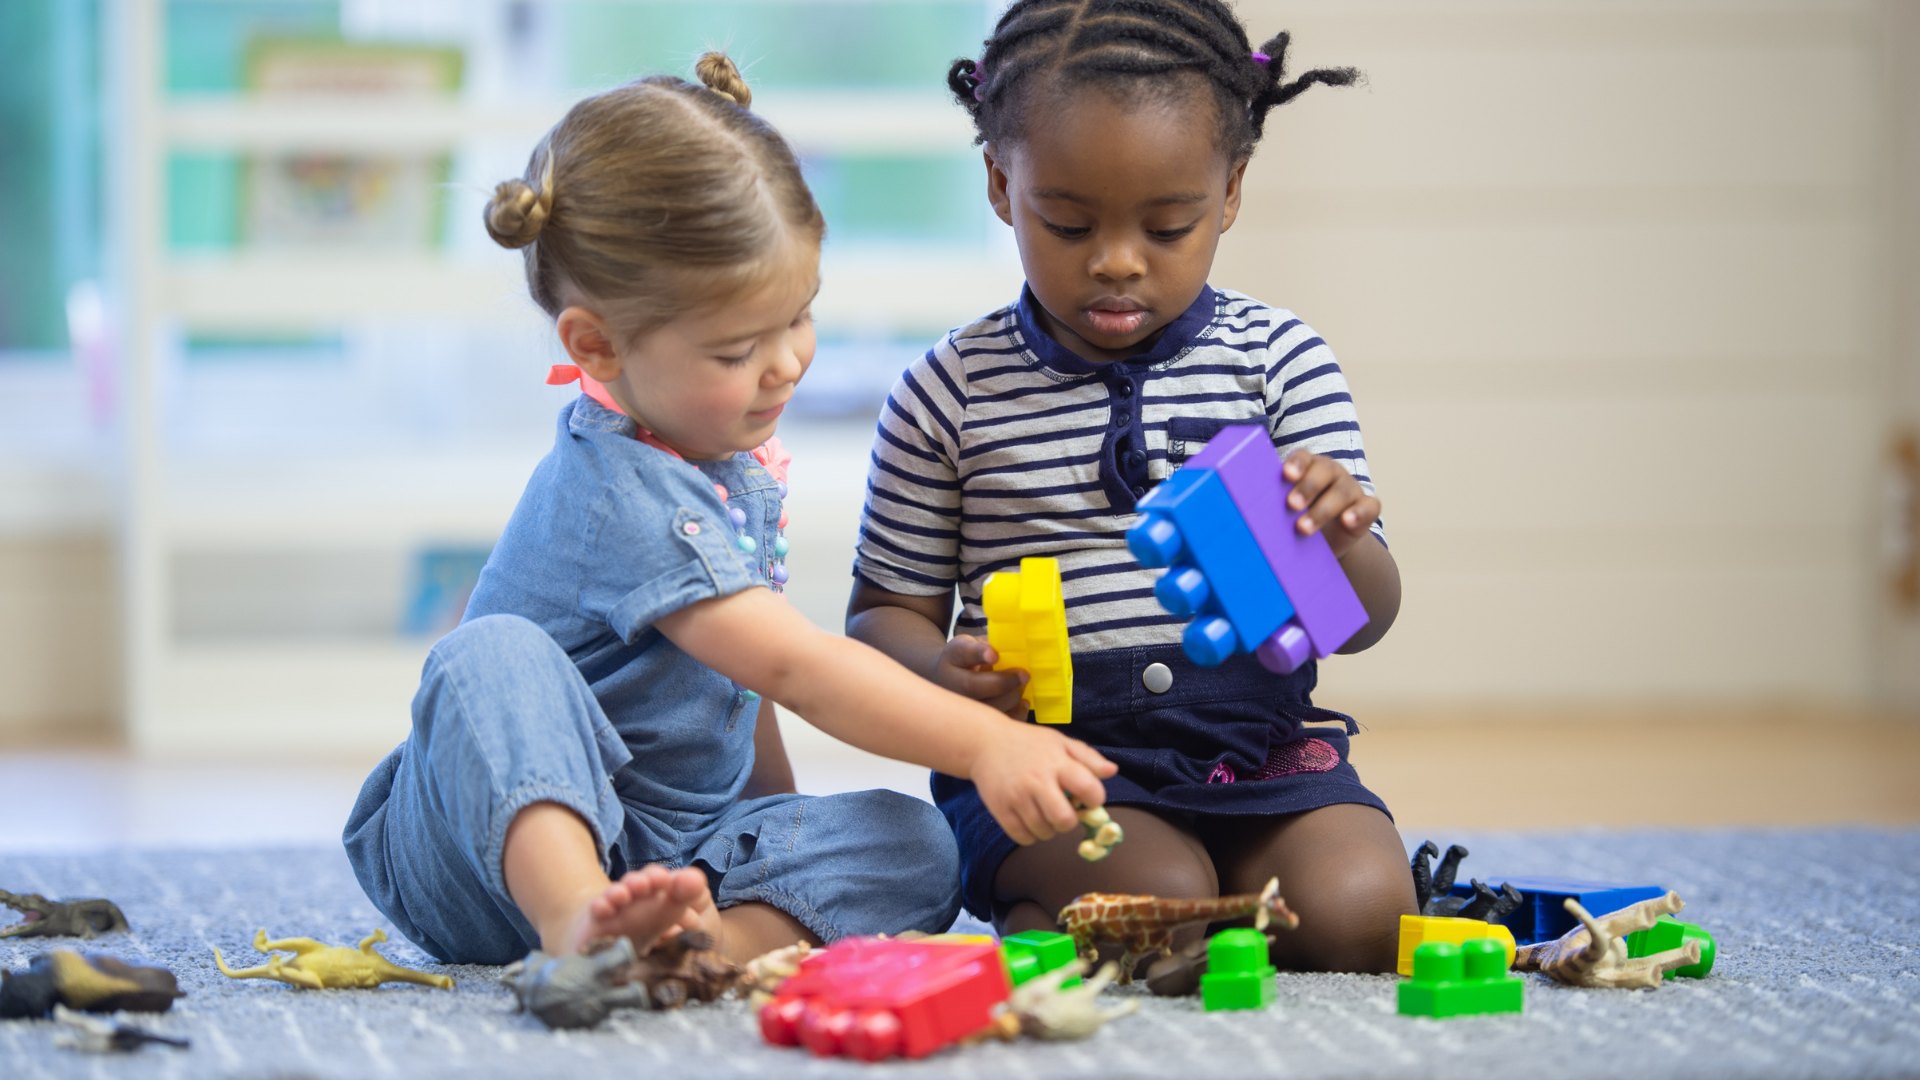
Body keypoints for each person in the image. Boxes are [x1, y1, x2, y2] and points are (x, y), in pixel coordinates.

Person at [344, 54, 1115, 968]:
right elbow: (796, 667)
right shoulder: (618, 488)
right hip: (482, 852)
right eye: (741, 347)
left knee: (919, 843)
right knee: (488, 655)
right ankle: (579, 926)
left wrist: (772, 835)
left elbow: (742, 689)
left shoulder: (723, 465)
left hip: (668, 849)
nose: (788, 362)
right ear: (598, 343)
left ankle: (703, 945)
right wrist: (986, 741)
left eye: (801, 316)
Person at [846, 1, 1418, 974]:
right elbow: (879, 621)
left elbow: (1360, 621)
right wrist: (950, 675)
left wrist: (1342, 535)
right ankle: (1075, 899)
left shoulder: (1279, 362)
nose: (1116, 261)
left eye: (1168, 225)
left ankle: (1206, 890)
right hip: (1051, 766)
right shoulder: (950, 390)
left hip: (1260, 747)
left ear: (1230, 190)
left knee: (1362, 916)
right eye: (1067, 223)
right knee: (1161, 910)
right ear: (1000, 182)